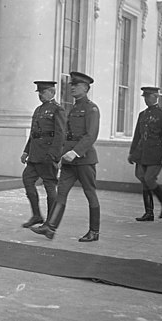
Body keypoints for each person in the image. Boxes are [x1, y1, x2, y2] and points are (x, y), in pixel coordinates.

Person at [32, 72, 101, 242]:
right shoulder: (73, 108)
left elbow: (91, 135)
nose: (72, 87)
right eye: (71, 85)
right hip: (68, 159)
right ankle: (50, 227)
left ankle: (94, 231)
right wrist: (60, 155)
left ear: (85, 88)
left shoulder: (92, 109)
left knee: (90, 193)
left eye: (76, 85)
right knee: (61, 193)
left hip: (84, 159)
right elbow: (64, 135)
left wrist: (75, 152)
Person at [20, 80, 67, 228]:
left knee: (50, 187)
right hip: (35, 155)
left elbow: (60, 134)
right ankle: (36, 215)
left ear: (52, 92)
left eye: (43, 92)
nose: (40, 95)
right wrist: (26, 151)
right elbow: (34, 133)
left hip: (47, 155)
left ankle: (50, 221)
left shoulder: (57, 109)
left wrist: (54, 155)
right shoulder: (38, 110)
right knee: (27, 180)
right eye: (39, 92)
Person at [128, 86, 162, 222]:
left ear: (156, 97)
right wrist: (132, 152)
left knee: (149, 179)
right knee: (142, 178)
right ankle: (149, 212)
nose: (146, 99)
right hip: (141, 152)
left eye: (148, 97)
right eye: (145, 97)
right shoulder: (142, 114)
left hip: (155, 152)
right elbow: (137, 135)